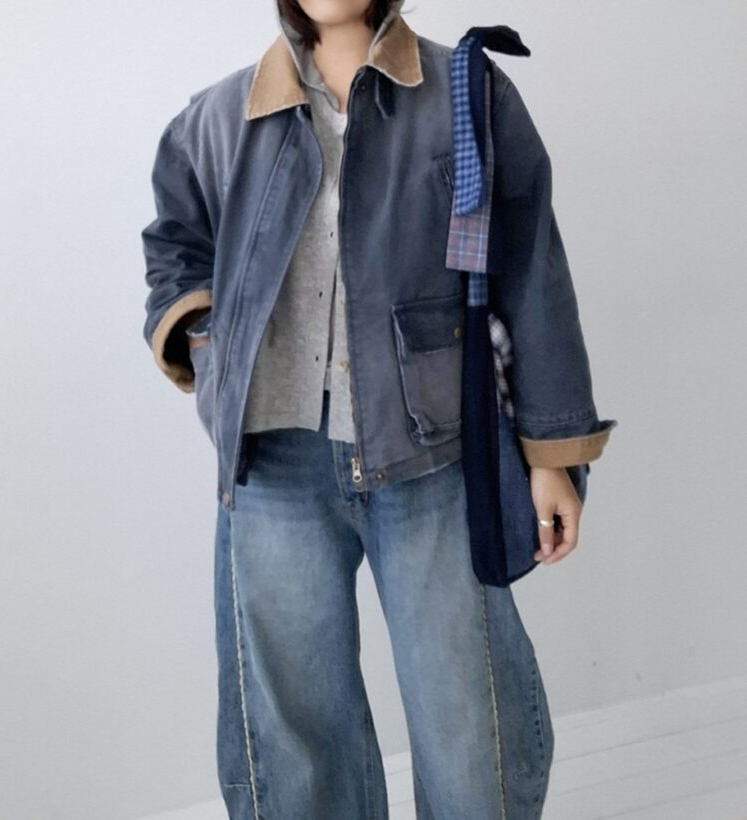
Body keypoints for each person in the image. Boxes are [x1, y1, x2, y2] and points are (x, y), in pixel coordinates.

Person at [140, 1, 615, 817]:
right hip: (271, 465)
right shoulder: (220, 115)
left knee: (470, 730)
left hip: (431, 453)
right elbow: (175, 245)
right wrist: (210, 343)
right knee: (293, 746)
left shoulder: (467, 93)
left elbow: (531, 268)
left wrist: (552, 455)